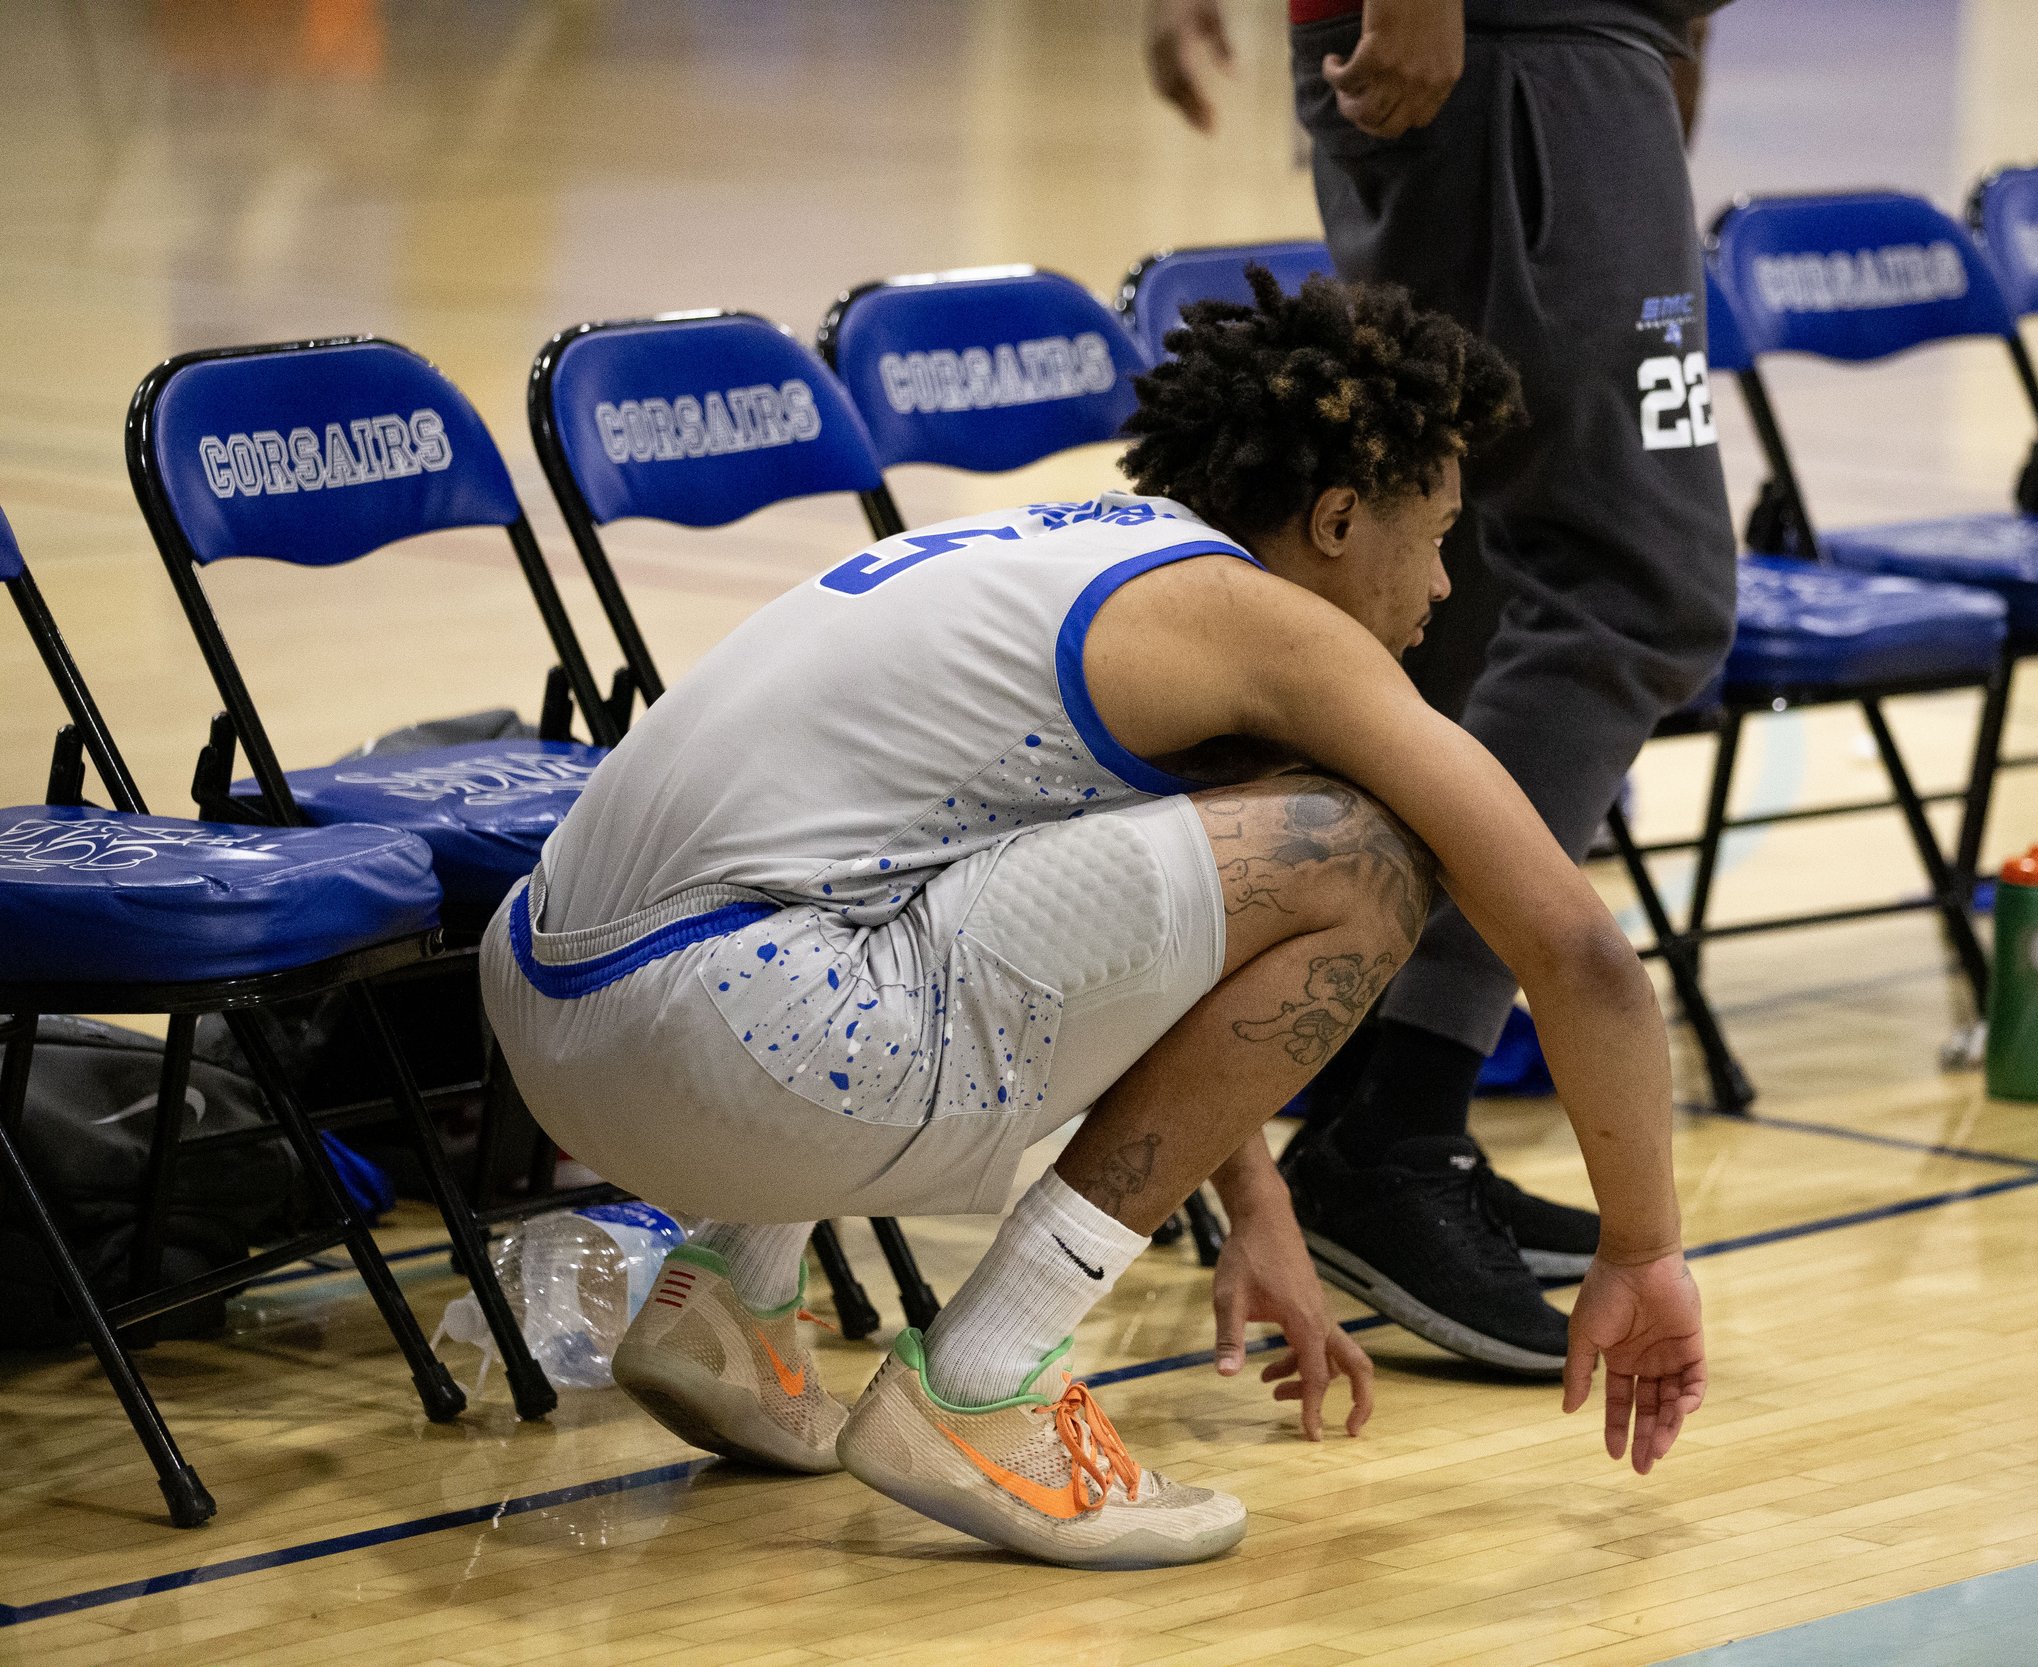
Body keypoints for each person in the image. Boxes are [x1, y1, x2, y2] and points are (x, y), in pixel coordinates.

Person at [478, 272, 1708, 1570]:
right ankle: (984, 1380)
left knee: (978, 845)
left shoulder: (1089, 555)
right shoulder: (1275, 629)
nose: (1448, 582)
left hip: (557, 1005)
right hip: (731, 1030)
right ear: (1340, 518)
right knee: (1367, 853)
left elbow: (1152, 946)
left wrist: (1263, 1207)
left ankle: (726, 1296)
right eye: (1439, 532)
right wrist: (1647, 1247)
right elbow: (1574, 949)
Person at [1145, 0, 1738, 1376]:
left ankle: (1359, 1082)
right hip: (1524, 39)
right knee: (1637, 579)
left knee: (1437, 581)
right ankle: (1399, 1112)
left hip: (1572, 47)